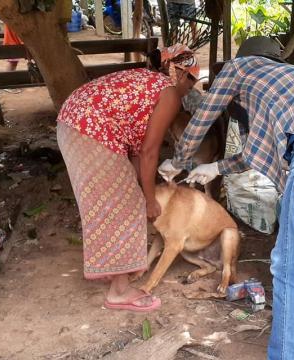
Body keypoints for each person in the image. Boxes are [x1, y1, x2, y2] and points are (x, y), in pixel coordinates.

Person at [158, 36, 294, 358]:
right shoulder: (293, 82)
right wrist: (215, 168)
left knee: (290, 263)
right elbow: (251, 155)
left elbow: (203, 118)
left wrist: (177, 162)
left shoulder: (240, 68)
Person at [57, 44, 199, 312]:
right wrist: (148, 200)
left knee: (119, 199)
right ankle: (119, 291)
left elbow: (136, 151)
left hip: (73, 123)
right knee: (126, 205)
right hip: (90, 130)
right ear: (181, 74)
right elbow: (149, 152)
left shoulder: (147, 81)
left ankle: (117, 271)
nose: (189, 91)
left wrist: (137, 187)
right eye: (190, 84)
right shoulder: (169, 94)